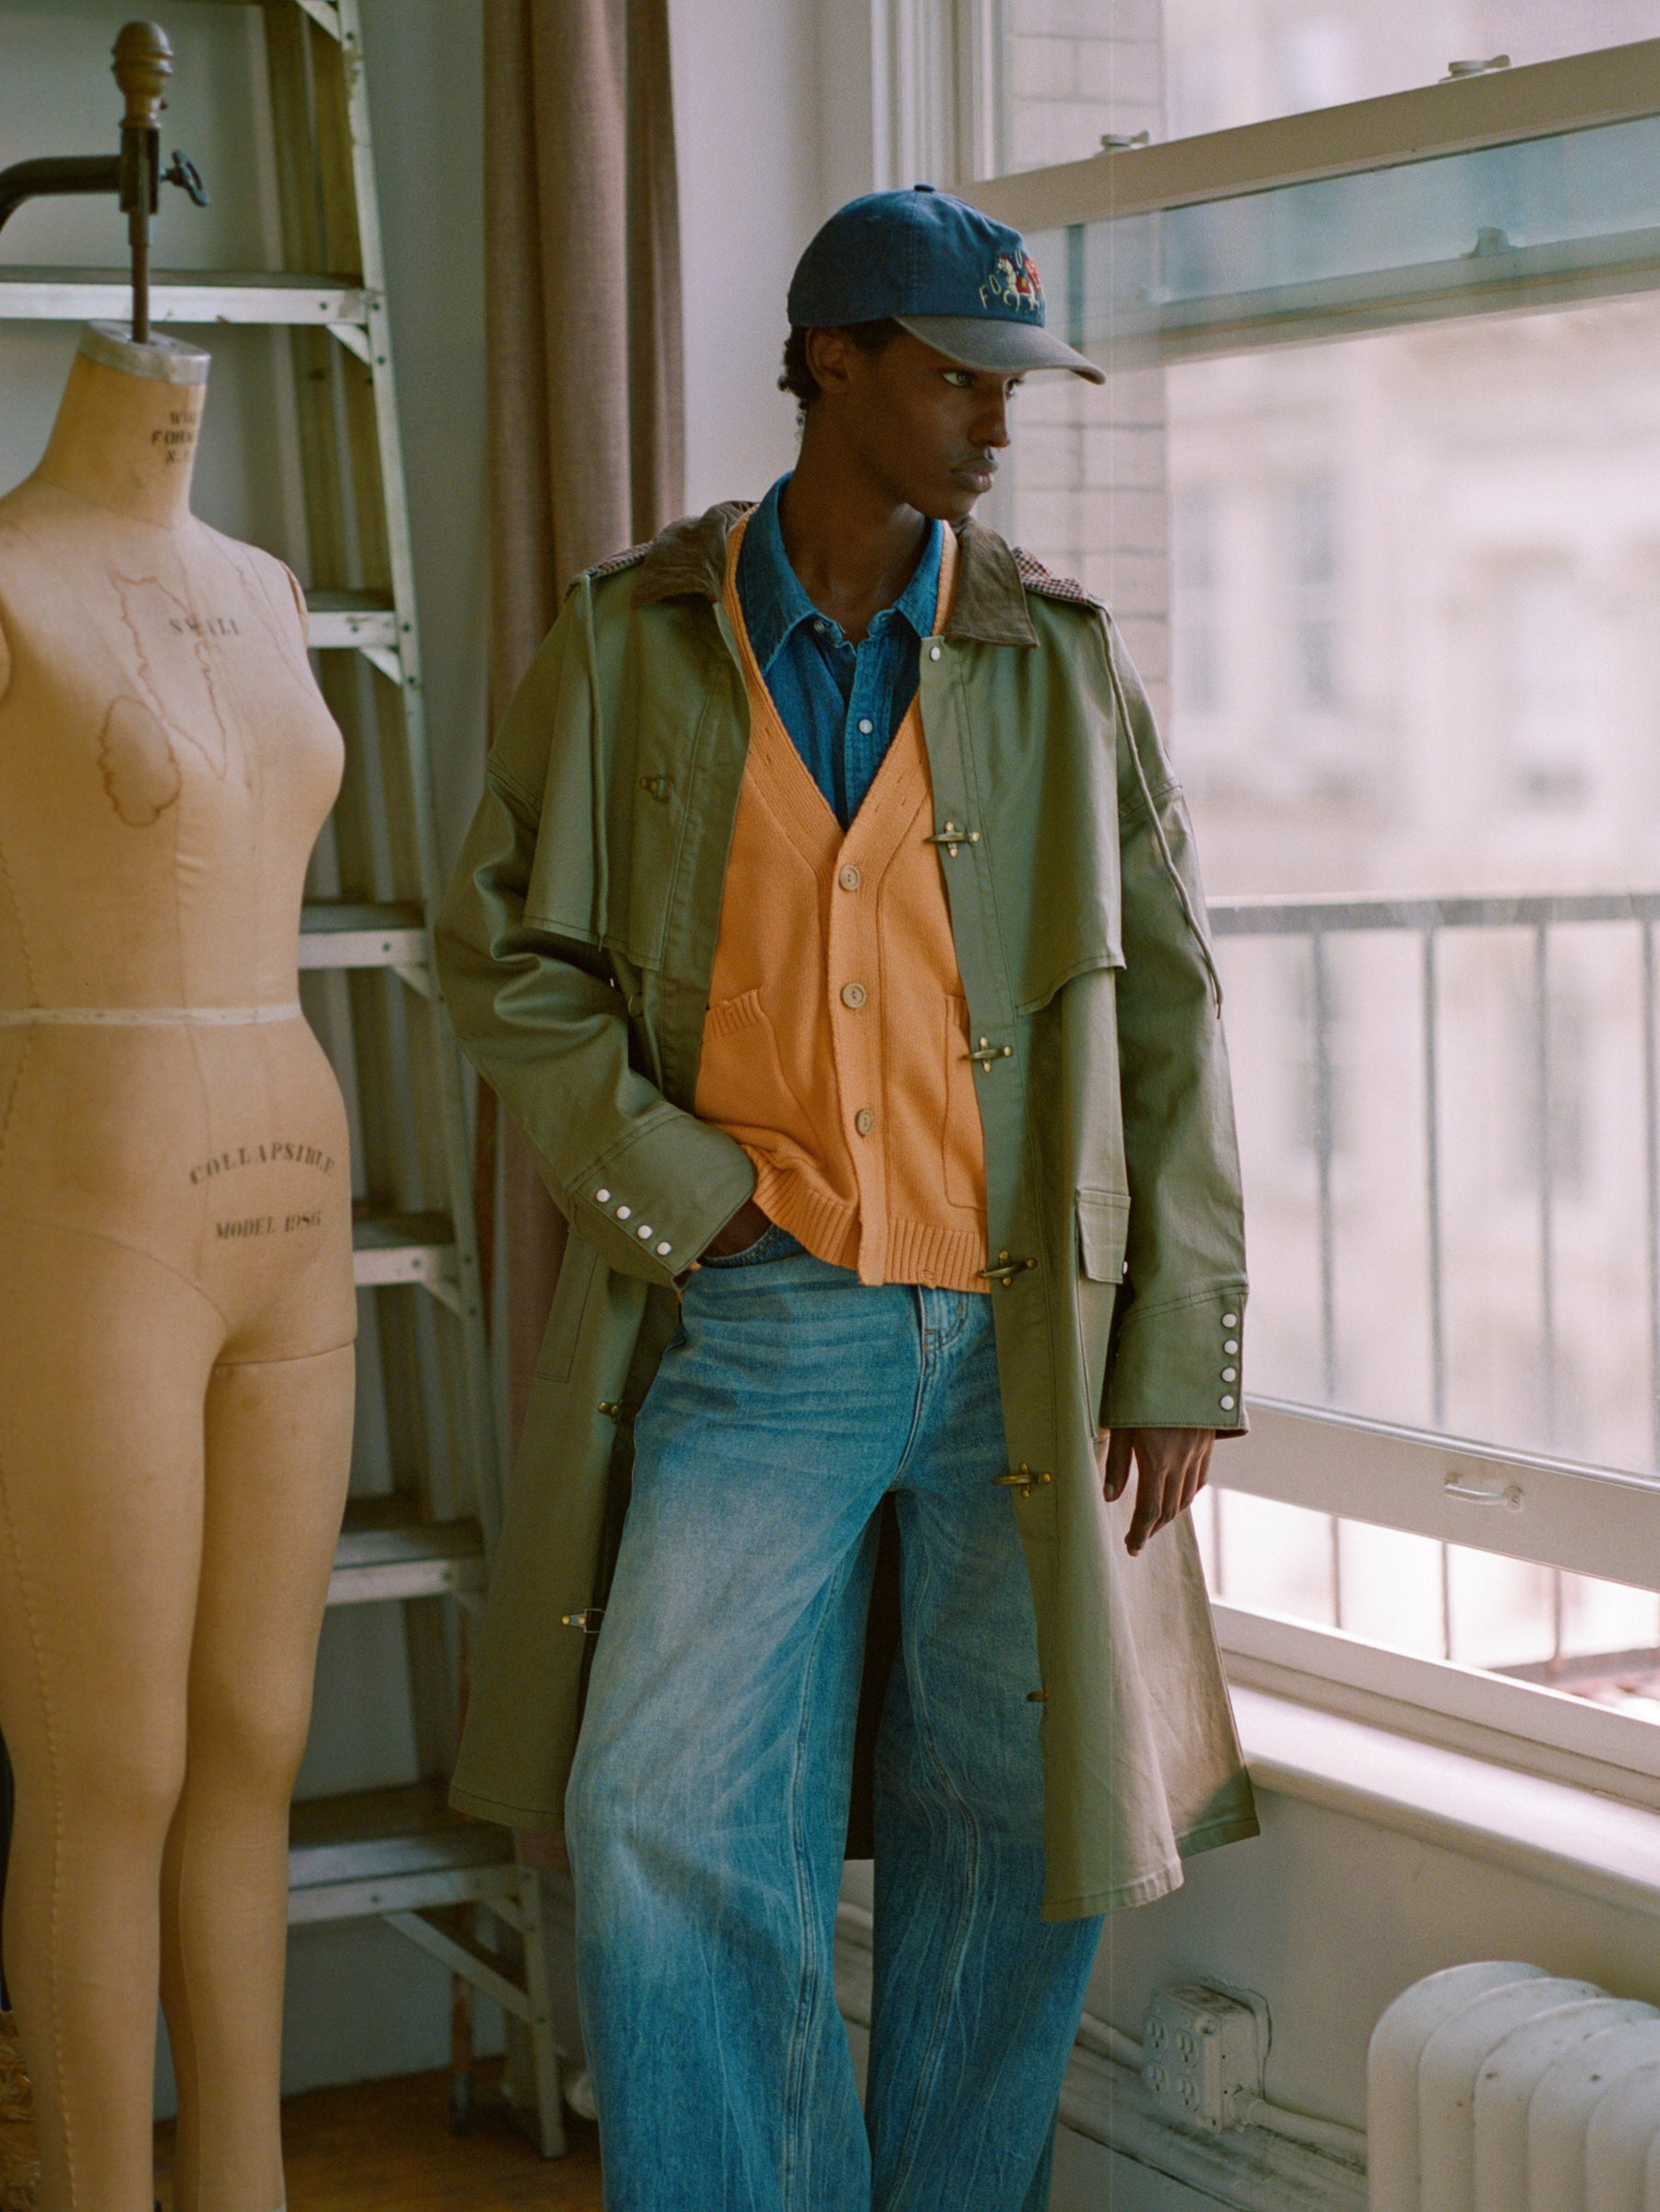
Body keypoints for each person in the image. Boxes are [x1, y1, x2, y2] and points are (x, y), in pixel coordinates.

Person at [437, 185, 1257, 2212]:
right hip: (767, 1322)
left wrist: (1179, 1343)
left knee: (1016, 1813)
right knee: (659, 1805)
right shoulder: (630, 641)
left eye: (1015, 384)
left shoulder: (1057, 659)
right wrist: (689, 1196)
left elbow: (1171, 999)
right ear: (831, 363)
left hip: (1028, 1332)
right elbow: (500, 955)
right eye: (960, 375)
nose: (999, 418)